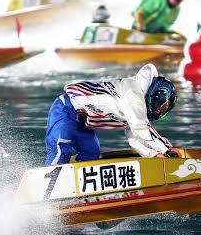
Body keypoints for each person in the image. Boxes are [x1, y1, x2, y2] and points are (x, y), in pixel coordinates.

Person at [45, 64, 181, 166]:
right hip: (66, 108)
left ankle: (82, 191)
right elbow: (141, 128)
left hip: (82, 122)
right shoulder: (133, 94)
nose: (158, 111)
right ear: (152, 95)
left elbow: (134, 139)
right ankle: (46, 192)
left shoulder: (135, 111)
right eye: (159, 106)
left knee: (90, 153)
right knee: (60, 150)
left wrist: (154, 155)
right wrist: (167, 149)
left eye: (163, 109)